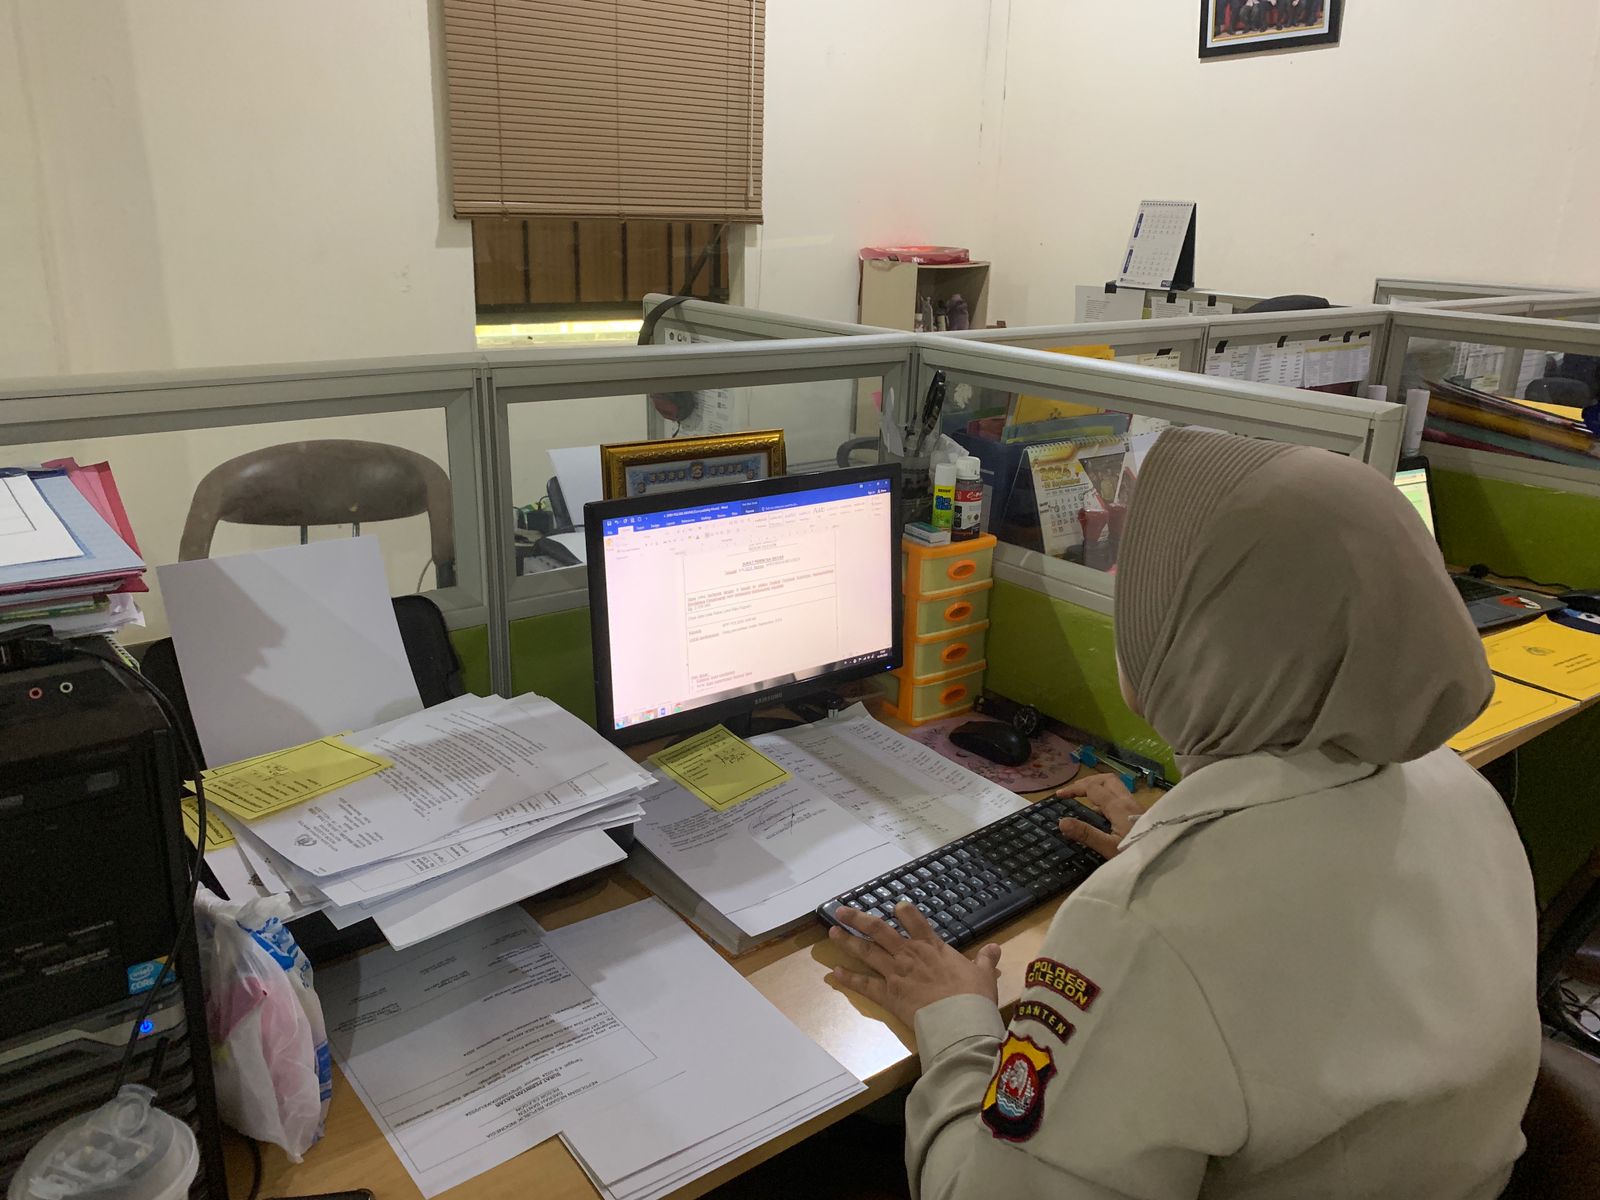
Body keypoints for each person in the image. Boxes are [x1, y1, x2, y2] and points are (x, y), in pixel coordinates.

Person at [828, 429, 1541, 1199]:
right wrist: (1167, 844)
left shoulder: (1147, 924)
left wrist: (956, 1018)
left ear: (1200, 631)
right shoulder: (1458, 787)